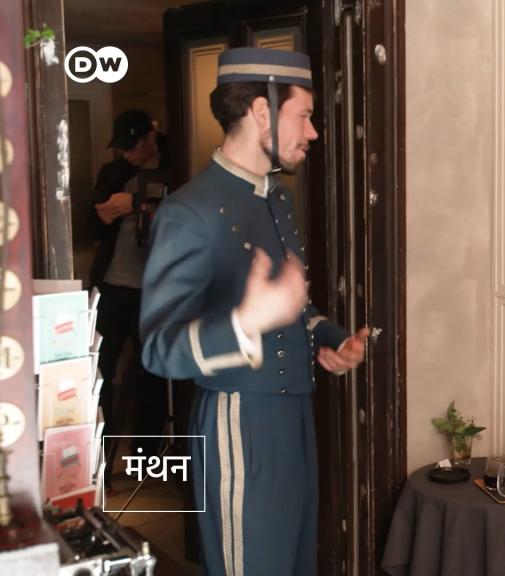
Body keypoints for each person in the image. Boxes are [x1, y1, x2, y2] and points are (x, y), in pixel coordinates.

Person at [139, 48, 370, 575]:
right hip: (238, 420)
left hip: (295, 417)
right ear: (262, 111)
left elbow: (288, 306)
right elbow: (158, 348)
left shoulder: (277, 199)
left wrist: (330, 337)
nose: (312, 132)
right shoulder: (189, 211)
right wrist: (246, 323)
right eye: (304, 115)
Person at [89, 109, 168, 487]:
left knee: (152, 374)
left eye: (132, 147)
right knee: (101, 371)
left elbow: (179, 203)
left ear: (150, 139)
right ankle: (99, 461)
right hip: (113, 285)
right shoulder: (112, 172)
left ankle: (146, 460)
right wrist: (105, 214)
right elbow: (90, 222)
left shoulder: (174, 165)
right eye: (122, 148)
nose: (127, 154)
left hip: (156, 289)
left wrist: (137, 202)